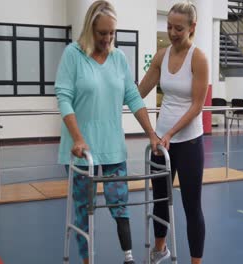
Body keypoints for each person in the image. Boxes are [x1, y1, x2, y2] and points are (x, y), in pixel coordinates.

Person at [55, 1, 160, 264]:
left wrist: (151, 134)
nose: (108, 39)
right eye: (102, 33)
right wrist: (78, 137)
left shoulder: (119, 58)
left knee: (120, 204)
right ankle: (86, 260)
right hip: (82, 150)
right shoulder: (73, 55)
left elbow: (134, 98)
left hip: (113, 147)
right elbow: (64, 98)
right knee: (83, 210)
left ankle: (128, 257)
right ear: (90, 29)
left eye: (112, 33)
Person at [138, 2, 208, 264]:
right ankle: (160, 249)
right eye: (169, 27)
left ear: (192, 27)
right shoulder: (161, 56)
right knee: (160, 200)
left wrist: (171, 133)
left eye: (179, 28)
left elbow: (197, 106)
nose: (173, 32)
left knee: (192, 207)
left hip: (188, 141)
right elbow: (140, 92)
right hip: (161, 141)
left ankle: (195, 261)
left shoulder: (198, 58)